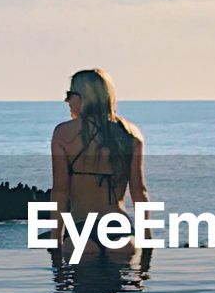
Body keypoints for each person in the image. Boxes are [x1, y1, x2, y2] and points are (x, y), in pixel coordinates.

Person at [50, 68, 148, 263]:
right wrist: (147, 239)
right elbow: (139, 192)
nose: (66, 101)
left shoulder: (63, 134)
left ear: (85, 97)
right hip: (119, 233)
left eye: (70, 95)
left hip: (80, 234)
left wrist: (56, 239)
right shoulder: (131, 134)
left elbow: (60, 191)